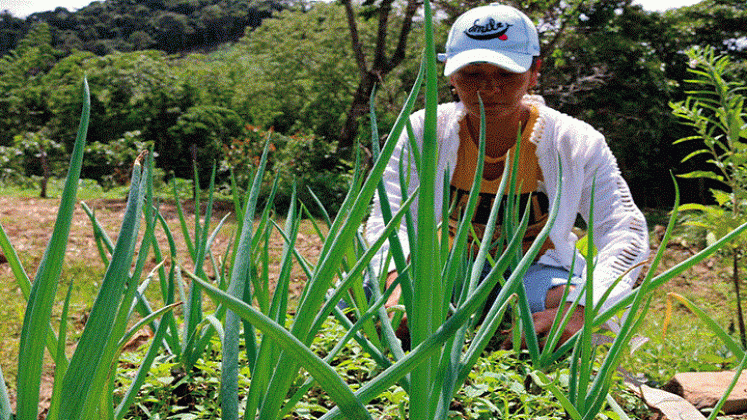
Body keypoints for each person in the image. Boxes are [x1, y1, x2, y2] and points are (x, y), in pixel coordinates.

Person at [364, 3, 650, 347]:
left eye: (505, 73)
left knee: (584, 322)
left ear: (533, 73)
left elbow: (624, 231)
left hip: (532, 272)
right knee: (371, 303)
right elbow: (389, 218)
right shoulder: (424, 132)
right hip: (444, 266)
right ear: (451, 75)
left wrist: (579, 310)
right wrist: (398, 283)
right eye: (472, 73)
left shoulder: (574, 142)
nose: (489, 88)